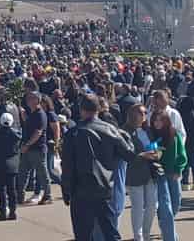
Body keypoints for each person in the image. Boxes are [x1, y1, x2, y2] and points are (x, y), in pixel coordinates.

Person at [61, 93, 152, 241]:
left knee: (83, 234)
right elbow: (129, 154)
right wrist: (126, 137)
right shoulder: (109, 130)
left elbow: (67, 166)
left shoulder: (73, 133)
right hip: (103, 189)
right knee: (110, 233)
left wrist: (66, 190)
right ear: (98, 109)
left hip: (80, 191)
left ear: (82, 109)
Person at [124, 104, 159, 241]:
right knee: (138, 206)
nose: (145, 115)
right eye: (142, 113)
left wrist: (157, 153)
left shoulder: (148, 130)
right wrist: (143, 155)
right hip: (135, 172)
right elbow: (126, 153)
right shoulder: (125, 131)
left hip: (151, 172)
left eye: (145, 113)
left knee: (152, 205)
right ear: (133, 114)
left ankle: (146, 234)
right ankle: (138, 237)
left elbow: (155, 145)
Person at [151, 109, 186, 241]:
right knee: (165, 206)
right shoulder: (152, 135)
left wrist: (179, 169)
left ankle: (165, 224)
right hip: (160, 173)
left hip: (173, 173)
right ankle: (170, 237)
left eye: (160, 120)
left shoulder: (174, 134)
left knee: (176, 203)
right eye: (155, 120)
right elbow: (150, 152)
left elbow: (182, 154)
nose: (157, 123)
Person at [18, 91, 51, 205]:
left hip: (37, 148)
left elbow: (38, 132)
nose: (28, 100)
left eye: (31, 98)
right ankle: (19, 195)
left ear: (37, 100)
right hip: (28, 148)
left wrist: (27, 145)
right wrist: (24, 116)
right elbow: (29, 124)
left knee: (42, 173)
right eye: (28, 98)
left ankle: (47, 195)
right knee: (23, 172)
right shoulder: (32, 113)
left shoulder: (40, 114)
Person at [0, 112, 21, 220]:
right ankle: (13, 212)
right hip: (12, 165)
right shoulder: (17, 135)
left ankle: (3, 212)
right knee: (12, 190)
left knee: (2, 190)